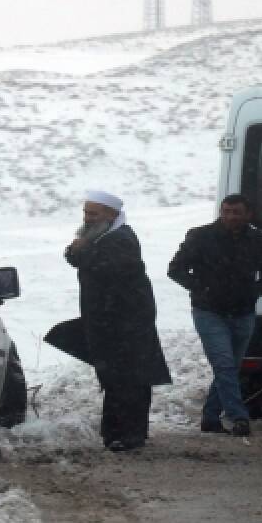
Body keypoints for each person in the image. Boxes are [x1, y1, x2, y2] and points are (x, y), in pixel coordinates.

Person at [56, 189, 172, 452]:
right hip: (109, 323)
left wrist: (80, 250)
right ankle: (121, 433)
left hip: (126, 324)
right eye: (86, 212)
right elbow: (77, 257)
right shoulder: (101, 237)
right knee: (117, 379)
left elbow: (104, 269)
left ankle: (126, 435)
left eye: (93, 214)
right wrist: (78, 249)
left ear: (112, 214)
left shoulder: (121, 240)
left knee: (127, 380)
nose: (88, 218)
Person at [168, 194, 262, 436]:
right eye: (226, 211)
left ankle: (210, 417)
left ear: (248, 214)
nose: (230, 217)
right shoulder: (200, 236)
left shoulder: (258, 240)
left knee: (230, 368)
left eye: (236, 212)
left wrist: (258, 290)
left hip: (243, 313)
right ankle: (237, 416)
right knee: (225, 365)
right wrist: (200, 288)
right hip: (209, 312)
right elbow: (175, 269)